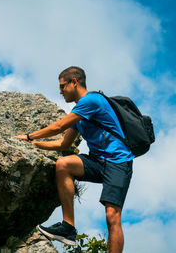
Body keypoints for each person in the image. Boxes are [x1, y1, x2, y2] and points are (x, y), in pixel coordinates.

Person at [15, 66, 134, 253]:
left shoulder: (92, 100)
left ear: (74, 82)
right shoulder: (79, 112)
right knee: (64, 164)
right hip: (97, 161)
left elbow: (59, 126)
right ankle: (68, 228)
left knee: (112, 217)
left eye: (63, 86)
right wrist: (32, 147)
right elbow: (63, 143)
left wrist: (30, 136)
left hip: (118, 162)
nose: (60, 91)